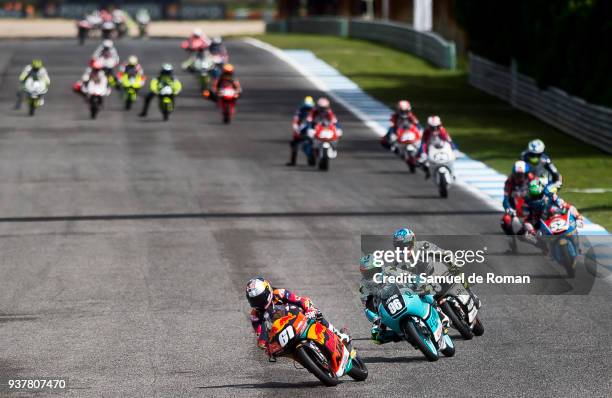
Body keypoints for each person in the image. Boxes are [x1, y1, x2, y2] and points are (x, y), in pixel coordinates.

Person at [246, 278, 350, 352]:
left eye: (260, 298)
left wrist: (310, 309)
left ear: (268, 291)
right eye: (254, 300)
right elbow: (260, 337)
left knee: (317, 313)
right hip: (283, 336)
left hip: (299, 319)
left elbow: (302, 301)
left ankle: (339, 335)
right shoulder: (255, 315)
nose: (258, 303)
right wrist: (264, 343)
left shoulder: (279, 293)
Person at [501, 160, 536, 235]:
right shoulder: (509, 181)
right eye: (517, 175)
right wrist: (508, 208)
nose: (519, 177)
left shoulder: (532, 179)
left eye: (521, 175)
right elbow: (505, 199)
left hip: (530, 207)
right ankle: (511, 237)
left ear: (526, 174)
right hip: (515, 209)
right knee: (505, 219)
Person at [286, 96, 315, 166]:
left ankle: (312, 158)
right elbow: (295, 120)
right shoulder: (300, 111)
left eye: (309, 108)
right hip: (301, 131)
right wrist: (296, 128)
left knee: (311, 144)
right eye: (306, 108)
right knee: (294, 144)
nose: (307, 110)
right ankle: (293, 161)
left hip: (312, 131)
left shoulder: (315, 112)